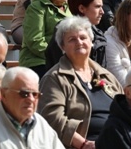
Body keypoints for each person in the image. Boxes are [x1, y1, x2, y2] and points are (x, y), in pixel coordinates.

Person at [39, 16, 122, 148]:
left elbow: (125, 110)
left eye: (83, 38)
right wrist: (84, 144)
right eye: (72, 39)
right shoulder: (55, 78)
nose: (79, 42)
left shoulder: (107, 77)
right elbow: (52, 118)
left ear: (91, 42)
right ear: (62, 46)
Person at [0, 67, 65, 149]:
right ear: (4, 95)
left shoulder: (41, 124)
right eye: (24, 94)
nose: (31, 99)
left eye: (35, 94)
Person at [20, 0, 72, 78]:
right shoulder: (36, 8)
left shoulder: (70, 7)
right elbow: (35, 41)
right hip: (39, 62)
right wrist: (60, 55)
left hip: (65, 60)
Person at [44, 0, 108, 71]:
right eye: (97, 7)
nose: (102, 12)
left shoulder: (98, 34)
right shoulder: (64, 31)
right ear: (82, 8)